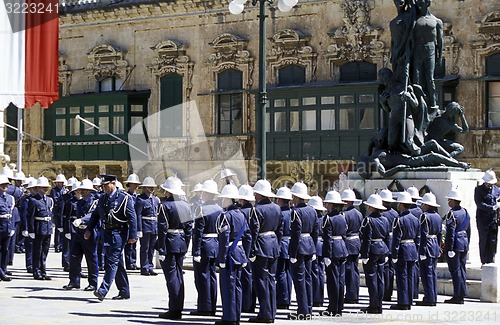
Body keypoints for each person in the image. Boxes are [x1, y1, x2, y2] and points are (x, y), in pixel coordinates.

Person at [84, 174, 138, 301]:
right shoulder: (103, 198)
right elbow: (95, 215)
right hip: (106, 233)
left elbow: (132, 217)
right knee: (117, 262)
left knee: (112, 261)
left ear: (113, 183)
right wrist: (89, 229)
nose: (104, 188)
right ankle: (124, 291)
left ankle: (103, 290)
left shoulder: (124, 198)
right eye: (102, 186)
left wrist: (133, 235)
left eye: (106, 185)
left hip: (119, 233)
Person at [214, 183, 251, 325]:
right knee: (237, 286)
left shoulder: (226, 216)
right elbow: (248, 236)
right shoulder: (242, 215)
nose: (222, 201)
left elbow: (224, 239)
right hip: (240, 253)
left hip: (229, 254)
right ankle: (236, 316)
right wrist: (246, 255)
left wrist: (222, 258)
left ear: (229, 200)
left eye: (224, 199)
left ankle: (229, 318)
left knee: (228, 287)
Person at [157, 176, 193, 320]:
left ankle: (174, 309)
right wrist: (186, 244)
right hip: (181, 243)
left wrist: (161, 248)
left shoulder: (164, 206)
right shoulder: (186, 205)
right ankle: (178, 307)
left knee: (172, 278)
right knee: (178, 276)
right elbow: (189, 228)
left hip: (170, 244)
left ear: (168, 192)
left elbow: (162, 229)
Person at [248, 179, 282, 323]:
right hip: (273, 245)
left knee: (261, 281)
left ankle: (265, 314)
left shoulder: (256, 210)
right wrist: (277, 245)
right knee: (271, 280)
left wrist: (251, 251)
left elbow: (253, 232)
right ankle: (271, 312)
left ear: (258, 195)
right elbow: (280, 230)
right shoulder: (277, 208)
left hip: (261, 246)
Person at [191, 179, 222, 316]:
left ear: (206, 194)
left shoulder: (201, 209)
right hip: (215, 245)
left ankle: (204, 307)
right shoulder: (220, 209)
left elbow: (198, 232)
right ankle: (212, 306)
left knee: (202, 277)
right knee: (212, 277)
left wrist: (196, 251)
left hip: (204, 245)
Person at [288, 182, 318, 319]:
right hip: (309, 245)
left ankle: (303, 310)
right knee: (308, 278)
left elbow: (295, 234)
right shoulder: (312, 210)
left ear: (296, 197)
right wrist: (314, 248)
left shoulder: (296, 212)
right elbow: (315, 231)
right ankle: (309, 309)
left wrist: (292, 253)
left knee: (299, 280)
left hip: (299, 247)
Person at [63, 179, 99, 291]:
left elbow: (92, 214)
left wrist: (82, 220)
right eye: (80, 190)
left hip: (90, 232)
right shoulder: (79, 202)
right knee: (74, 257)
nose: (81, 191)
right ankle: (74, 281)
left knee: (91, 258)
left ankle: (93, 283)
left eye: (83, 190)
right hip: (78, 232)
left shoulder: (95, 202)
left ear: (89, 190)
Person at [359, 194, 390, 314]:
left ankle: (374, 304)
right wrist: (387, 252)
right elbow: (387, 237)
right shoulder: (385, 220)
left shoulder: (368, 220)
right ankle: (379, 305)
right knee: (380, 278)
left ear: (372, 207)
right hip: (383, 249)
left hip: (373, 250)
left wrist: (365, 255)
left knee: (372, 279)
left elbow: (366, 238)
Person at [411, 0, 443, 111]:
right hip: (417, 50)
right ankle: (418, 101)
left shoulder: (436, 21)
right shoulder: (414, 20)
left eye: (422, 2)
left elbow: (440, 41)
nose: (420, 4)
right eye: (418, 2)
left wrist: (439, 57)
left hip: (430, 50)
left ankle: (433, 103)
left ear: (428, 3)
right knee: (417, 77)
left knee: (430, 77)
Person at [391, 191, 420, 311]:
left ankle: (403, 302)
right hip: (412, 249)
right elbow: (418, 238)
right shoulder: (415, 219)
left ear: (402, 205)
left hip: (403, 249)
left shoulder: (399, 219)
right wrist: (417, 251)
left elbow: (396, 239)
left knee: (402, 276)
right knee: (410, 276)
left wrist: (394, 254)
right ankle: (409, 301)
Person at [322, 190, 348, 316]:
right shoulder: (342, 217)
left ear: (331, 205)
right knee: (340, 280)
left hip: (333, 250)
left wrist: (326, 255)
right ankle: (339, 306)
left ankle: (333, 307)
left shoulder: (328, 218)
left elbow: (327, 238)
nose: (326, 206)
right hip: (342, 248)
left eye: (327, 204)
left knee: (333, 280)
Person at [444, 188, 470, 304]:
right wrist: (467, 243)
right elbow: (468, 230)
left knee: (455, 270)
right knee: (462, 269)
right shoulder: (465, 211)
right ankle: (462, 293)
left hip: (455, 245)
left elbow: (450, 233)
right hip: (463, 242)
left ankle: (457, 295)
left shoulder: (452, 214)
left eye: (449, 200)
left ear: (454, 201)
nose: (448, 202)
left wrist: (449, 248)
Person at [416, 192, 442, 306]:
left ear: (427, 205)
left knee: (427, 274)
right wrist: (440, 247)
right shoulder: (438, 216)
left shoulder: (424, 216)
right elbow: (440, 234)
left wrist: (422, 250)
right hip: (435, 244)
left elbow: (423, 234)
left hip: (428, 246)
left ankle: (429, 298)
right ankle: (433, 297)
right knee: (433, 273)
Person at [28, 176, 54, 280]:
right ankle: (36, 271)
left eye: (47, 187)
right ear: (38, 188)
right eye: (43, 187)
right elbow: (30, 217)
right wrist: (31, 230)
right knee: (37, 251)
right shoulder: (34, 200)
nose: (46, 189)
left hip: (47, 228)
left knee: (45, 251)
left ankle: (43, 271)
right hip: (39, 228)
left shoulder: (48, 200)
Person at [341, 189, 363, 304]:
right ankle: (355, 294)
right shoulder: (359, 213)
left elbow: (344, 230)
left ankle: (351, 294)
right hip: (356, 242)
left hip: (349, 243)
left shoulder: (345, 214)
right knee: (355, 270)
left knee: (349, 270)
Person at [474, 169, 500, 265]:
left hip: (493, 219)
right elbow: (479, 203)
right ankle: (484, 260)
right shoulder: (479, 190)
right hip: (483, 219)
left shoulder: (497, 190)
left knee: (493, 240)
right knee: (484, 239)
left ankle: (491, 259)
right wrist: (492, 208)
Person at [135, 176, 160, 276]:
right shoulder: (141, 199)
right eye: (150, 187)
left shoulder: (155, 199)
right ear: (145, 188)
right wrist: (139, 229)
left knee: (152, 248)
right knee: (144, 247)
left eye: (153, 187)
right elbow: (138, 215)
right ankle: (144, 267)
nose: (152, 189)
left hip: (154, 226)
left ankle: (150, 266)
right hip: (145, 226)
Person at [238, 184, 256, 313]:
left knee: (245, 277)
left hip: (243, 247)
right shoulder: (254, 210)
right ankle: (251, 303)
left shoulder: (242, 212)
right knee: (251, 276)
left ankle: (246, 304)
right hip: (254, 247)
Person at [274, 187, 293, 310]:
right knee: (288, 273)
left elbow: (279, 231)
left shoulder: (280, 213)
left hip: (282, 244)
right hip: (291, 244)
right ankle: (287, 298)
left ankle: (282, 299)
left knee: (280, 272)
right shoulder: (293, 212)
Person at [379, 189, 398, 302]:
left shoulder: (382, 214)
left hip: (384, 242)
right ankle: (389, 292)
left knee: (384, 269)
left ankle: (384, 292)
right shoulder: (395, 213)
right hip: (393, 242)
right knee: (391, 269)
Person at [308, 195, 326, 308]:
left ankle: (316, 297)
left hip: (315, 245)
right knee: (320, 273)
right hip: (322, 245)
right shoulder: (324, 218)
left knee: (314, 272)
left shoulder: (314, 219)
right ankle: (320, 297)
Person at [124, 173, 141, 270]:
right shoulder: (126, 196)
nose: (136, 186)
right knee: (128, 244)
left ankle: (133, 262)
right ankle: (129, 262)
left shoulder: (137, 197)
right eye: (134, 184)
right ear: (129, 184)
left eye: (136, 184)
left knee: (134, 243)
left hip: (135, 222)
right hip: (128, 222)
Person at [0, 175, 15, 281]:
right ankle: (1, 273)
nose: (5, 186)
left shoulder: (10, 198)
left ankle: (3, 269)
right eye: (3, 184)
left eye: (6, 184)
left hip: (7, 227)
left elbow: (11, 213)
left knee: (5, 250)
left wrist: (12, 227)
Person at [50, 173, 67, 254]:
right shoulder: (54, 190)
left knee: (63, 228)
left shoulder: (64, 190)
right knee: (58, 228)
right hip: (57, 211)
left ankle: (61, 244)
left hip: (63, 210)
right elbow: (55, 200)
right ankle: (57, 245)